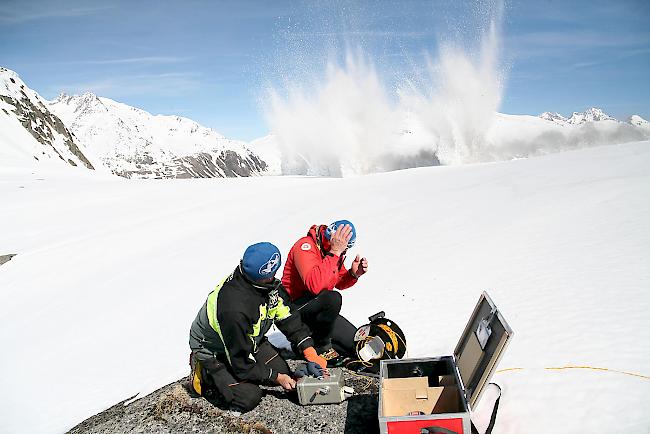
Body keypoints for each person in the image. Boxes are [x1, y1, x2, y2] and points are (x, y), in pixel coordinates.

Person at [189, 242, 327, 412]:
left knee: (283, 371)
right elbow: (240, 363)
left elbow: (286, 314)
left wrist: (308, 350)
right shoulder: (234, 310)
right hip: (214, 350)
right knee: (249, 397)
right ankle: (205, 373)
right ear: (261, 276)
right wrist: (276, 378)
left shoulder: (264, 283)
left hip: (248, 339)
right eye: (272, 273)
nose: (275, 276)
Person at [282, 220, 369, 365]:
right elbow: (314, 285)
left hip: (317, 309)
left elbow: (338, 281)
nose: (343, 251)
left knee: (356, 345)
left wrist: (353, 274)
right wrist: (335, 253)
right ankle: (318, 346)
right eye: (343, 248)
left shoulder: (331, 251)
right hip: (294, 308)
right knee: (333, 299)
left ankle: (318, 341)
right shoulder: (305, 246)